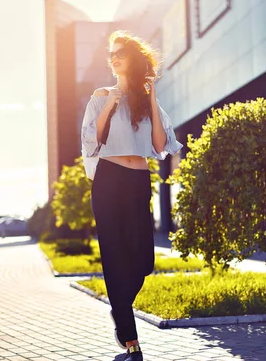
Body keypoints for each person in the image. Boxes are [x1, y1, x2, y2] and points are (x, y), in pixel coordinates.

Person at [81, 30, 183, 361]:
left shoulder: (145, 98)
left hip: (138, 180)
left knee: (143, 260)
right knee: (114, 256)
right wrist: (111, 100)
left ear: (133, 58)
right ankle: (130, 338)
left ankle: (120, 308)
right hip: (108, 180)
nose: (113, 58)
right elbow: (92, 139)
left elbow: (157, 145)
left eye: (120, 52)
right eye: (111, 54)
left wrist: (151, 98)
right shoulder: (101, 94)